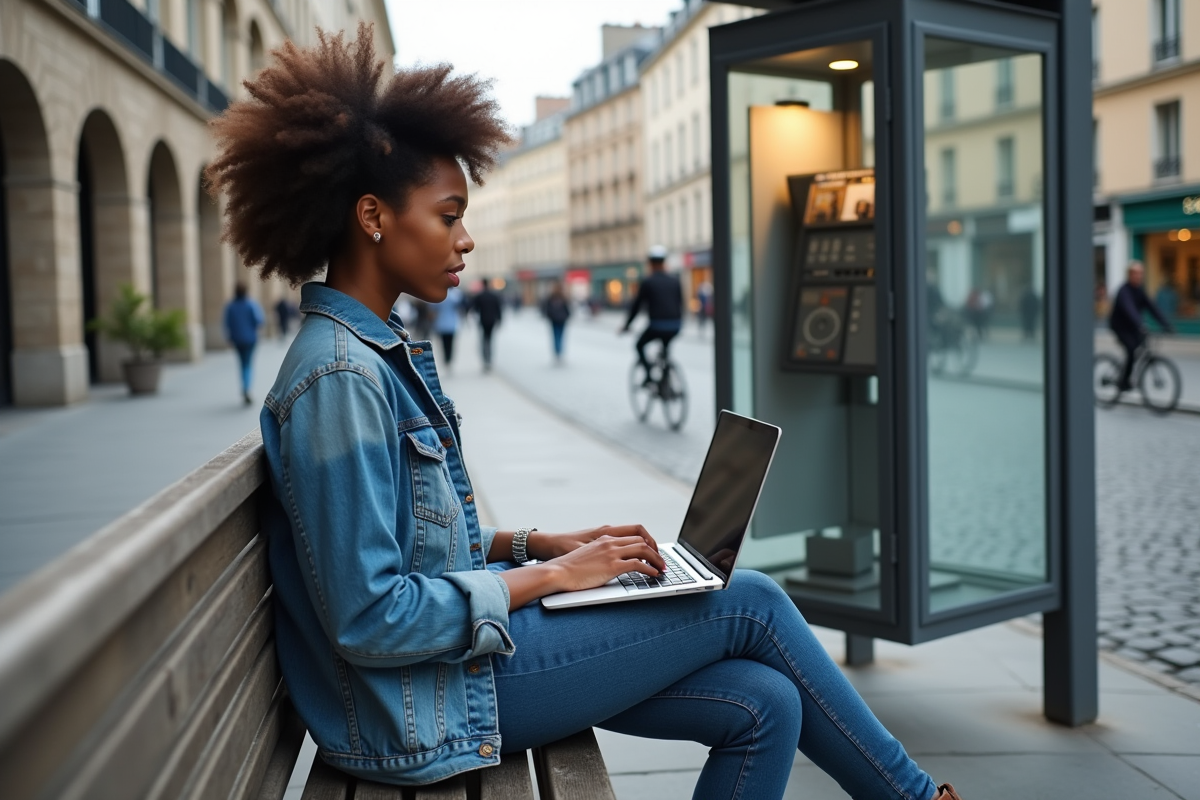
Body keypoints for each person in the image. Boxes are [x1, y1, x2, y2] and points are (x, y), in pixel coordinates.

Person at [203, 25, 964, 800]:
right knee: (754, 602)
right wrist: (552, 577)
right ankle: (914, 796)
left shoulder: (368, 353)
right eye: (448, 215)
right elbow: (371, 616)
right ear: (373, 217)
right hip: (418, 709)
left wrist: (540, 544)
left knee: (762, 702)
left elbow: (405, 541)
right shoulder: (339, 377)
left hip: (443, 674)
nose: (466, 240)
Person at [1109, 260, 1175, 392]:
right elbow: (1129, 309)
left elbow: (1152, 308)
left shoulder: (1140, 291)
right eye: (1136, 273)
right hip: (1120, 326)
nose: (1139, 276)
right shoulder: (1124, 291)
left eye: (1140, 273)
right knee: (1131, 349)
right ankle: (1123, 381)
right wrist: (1140, 323)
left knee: (1142, 345)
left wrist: (1166, 325)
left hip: (1134, 326)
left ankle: (1129, 373)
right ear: (1129, 274)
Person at [622, 245, 683, 382]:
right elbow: (680, 303)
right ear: (664, 262)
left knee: (639, 345)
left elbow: (637, 306)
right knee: (666, 348)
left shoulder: (648, 282)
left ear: (650, 263)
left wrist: (627, 325)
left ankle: (649, 375)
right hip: (675, 325)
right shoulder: (675, 280)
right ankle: (666, 378)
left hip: (657, 325)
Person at [223, 282, 264, 405]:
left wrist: (230, 337)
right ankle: (247, 389)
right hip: (250, 339)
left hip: (237, 339)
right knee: (248, 364)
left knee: (242, 364)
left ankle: (245, 388)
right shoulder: (251, 304)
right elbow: (259, 320)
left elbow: (227, 323)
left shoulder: (230, 306)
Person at [470, 277, 503, 371]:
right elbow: (499, 309)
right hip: (492, 320)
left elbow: (474, 308)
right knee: (490, 339)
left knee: (484, 340)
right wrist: (500, 319)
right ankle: (489, 359)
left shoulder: (480, 296)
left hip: (483, 320)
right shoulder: (494, 295)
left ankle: (485, 359)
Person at [430, 285, 464, 369]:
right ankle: (449, 359)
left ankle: (446, 358)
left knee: (443, 343)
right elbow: (461, 305)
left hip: (441, 323)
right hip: (452, 324)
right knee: (451, 343)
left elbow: (432, 307)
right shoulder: (455, 294)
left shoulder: (439, 294)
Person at [542, 281, 571, 364]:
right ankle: (559, 351)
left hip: (554, 319)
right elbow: (567, 309)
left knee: (555, 336)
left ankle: (557, 351)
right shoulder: (563, 297)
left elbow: (546, 308)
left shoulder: (551, 297)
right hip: (561, 319)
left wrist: (549, 316)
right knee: (560, 336)